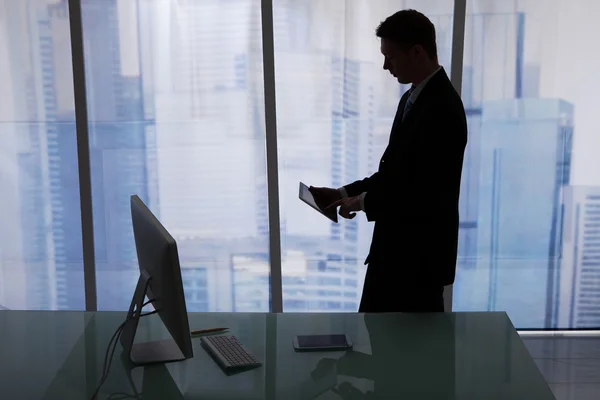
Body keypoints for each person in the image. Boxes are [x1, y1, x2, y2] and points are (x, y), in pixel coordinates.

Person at [310, 9, 467, 313]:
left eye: (390, 57)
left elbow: (420, 192)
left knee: (406, 355)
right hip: (396, 255)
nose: (385, 66)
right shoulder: (411, 100)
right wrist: (342, 193)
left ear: (417, 52)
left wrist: (359, 202)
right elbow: (394, 174)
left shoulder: (443, 109)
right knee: (379, 347)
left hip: (417, 263)